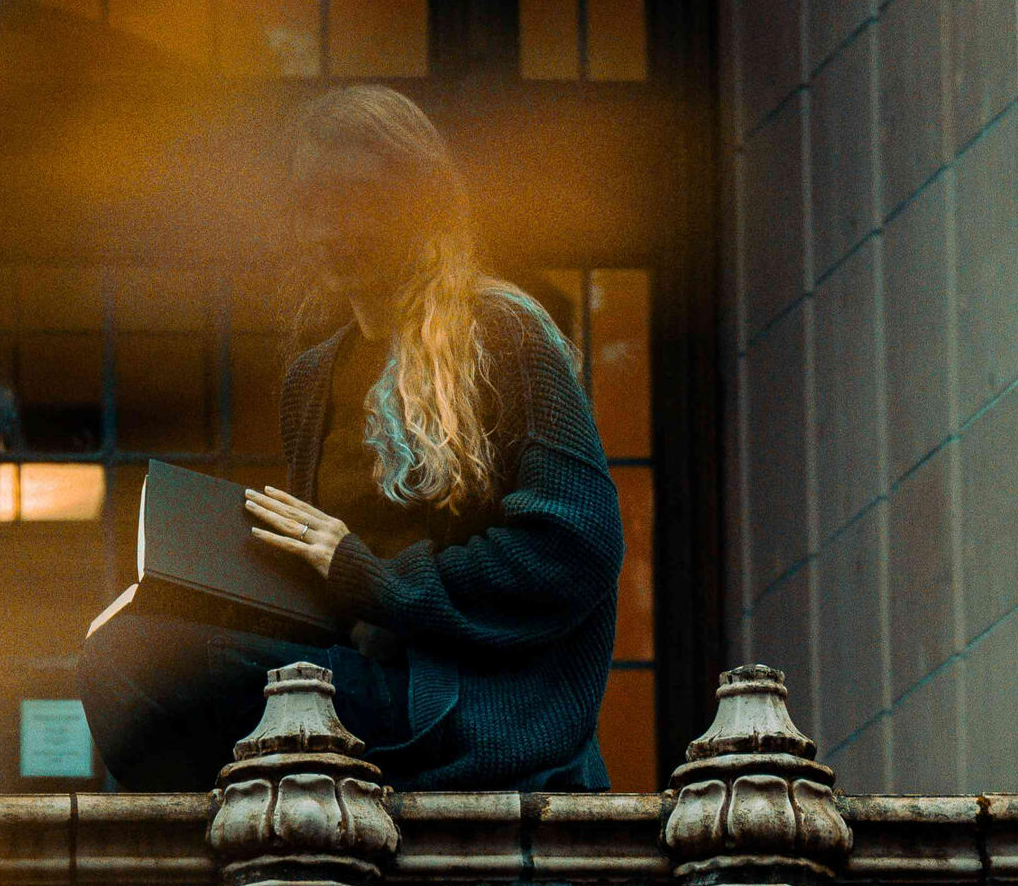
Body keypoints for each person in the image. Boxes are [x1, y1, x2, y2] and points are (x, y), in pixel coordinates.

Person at [78, 84, 625, 791]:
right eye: (311, 204)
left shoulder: (504, 332)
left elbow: (573, 548)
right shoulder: (314, 376)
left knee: (130, 658)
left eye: (357, 198)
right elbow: (329, 591)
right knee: (126, 655)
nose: (329, 228)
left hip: (461, 711)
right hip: (356, 687)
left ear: (422, 203)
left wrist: (374, 578)